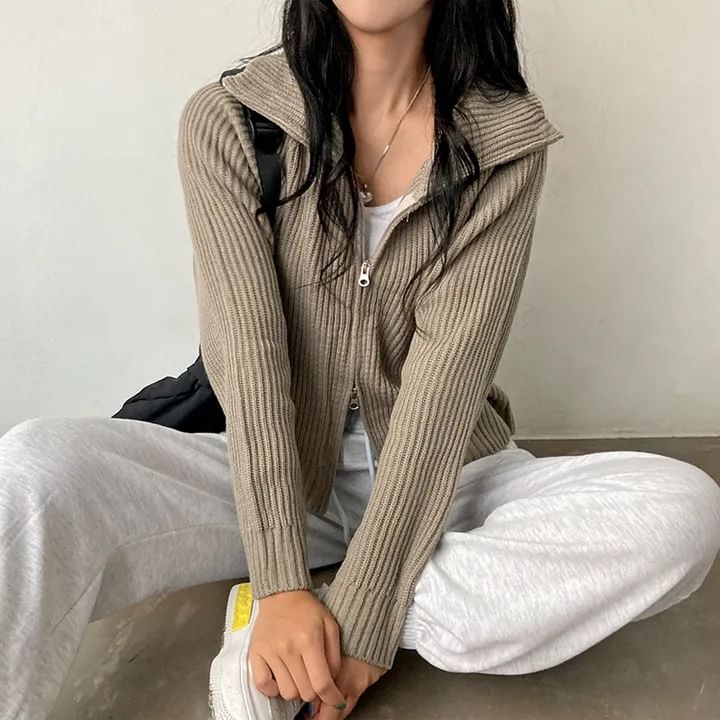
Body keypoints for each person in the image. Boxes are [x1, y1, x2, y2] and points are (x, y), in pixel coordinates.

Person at [2, 1, 720, 719]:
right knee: (39, 467)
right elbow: (249, 361)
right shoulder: (232, 121)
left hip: (442, 474)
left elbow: (447, 385)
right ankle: (300, 611)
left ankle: (311, 631)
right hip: (265, 470)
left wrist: (368, 612)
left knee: (678, 512)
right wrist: (281, 578)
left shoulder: (503, 139)